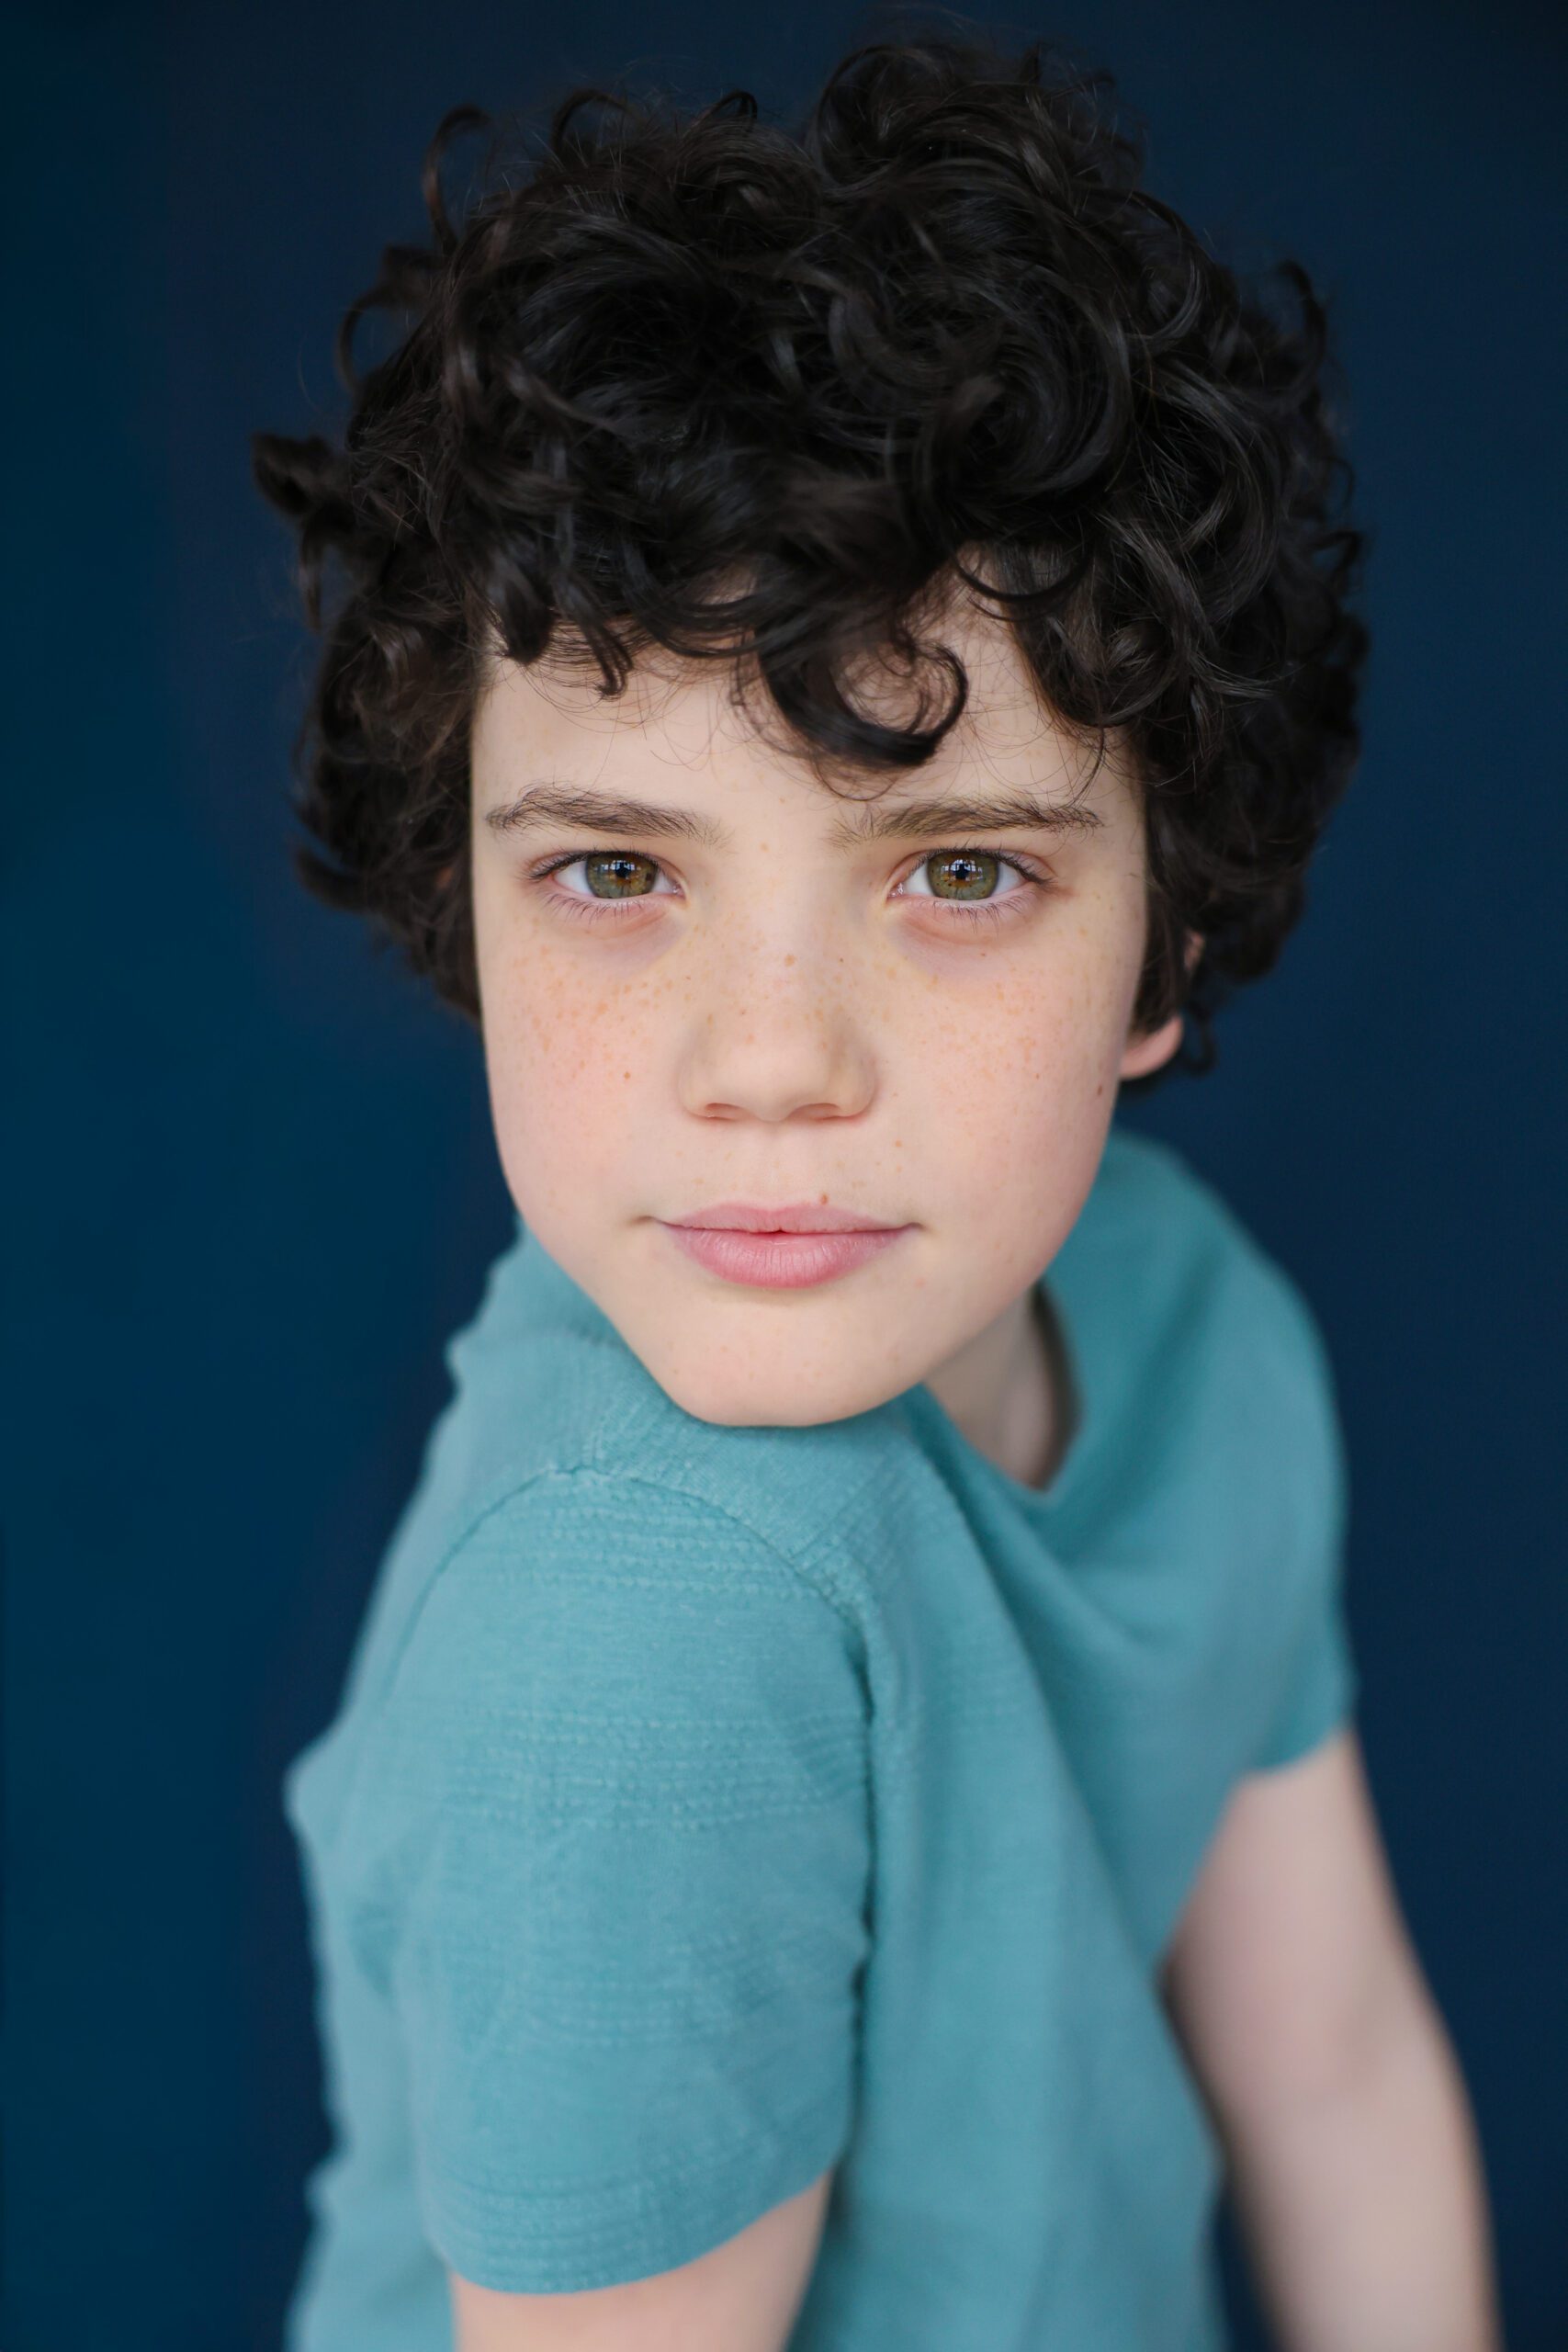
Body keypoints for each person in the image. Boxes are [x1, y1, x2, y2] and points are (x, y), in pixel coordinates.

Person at [253, 25, 1503, 2351]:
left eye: (956, 871)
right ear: (468, 902)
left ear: (1166, 938)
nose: (770, 1064)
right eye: (616, 869)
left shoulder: (1195, 1323)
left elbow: (1326, 2063)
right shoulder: (639, 1622)